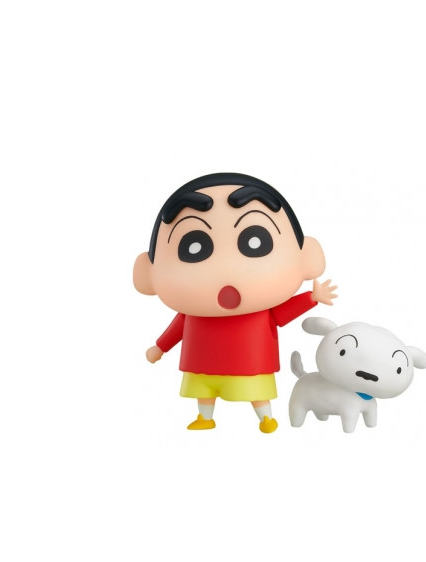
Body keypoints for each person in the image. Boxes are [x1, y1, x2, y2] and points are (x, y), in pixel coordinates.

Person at [133, 173, 337, 433]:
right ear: (147, 272)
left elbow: (281, 314)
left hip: (251, 360)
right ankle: (205, 417)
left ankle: (265, 418)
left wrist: (311, 298)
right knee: (204, 389)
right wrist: (159, 347)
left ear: (307, 256)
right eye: (193, 247)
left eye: (255, 242)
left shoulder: (260, 310)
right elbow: (177, 329)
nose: (224, 269)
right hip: (202, 362)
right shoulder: (193, 313)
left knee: (255, 388)